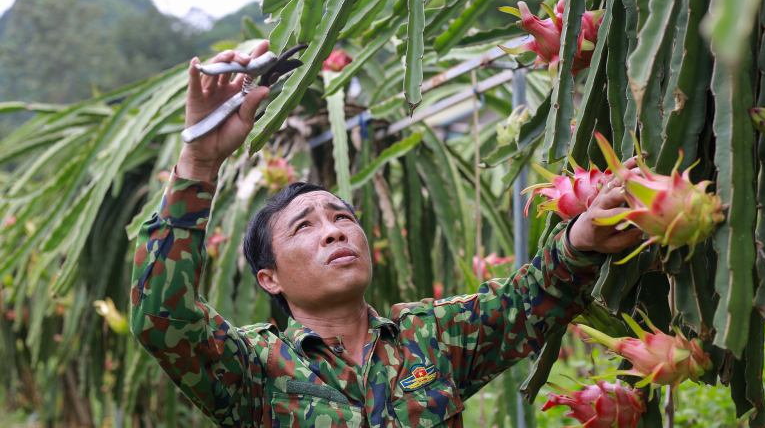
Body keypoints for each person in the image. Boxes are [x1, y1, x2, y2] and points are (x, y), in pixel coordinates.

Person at [130, 40, 644, 428]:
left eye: (341, 217)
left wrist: (579, 239)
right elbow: (161, 317)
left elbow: (531, 298)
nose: (333, 232)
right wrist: (198, 160)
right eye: (304, 227)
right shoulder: (254, 370)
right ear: (269, 279)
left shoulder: (433, 337)